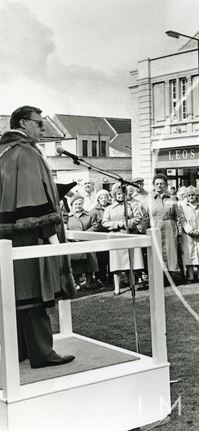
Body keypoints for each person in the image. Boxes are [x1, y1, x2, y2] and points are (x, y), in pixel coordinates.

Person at [0, 105, 76, 368]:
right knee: (35, 294)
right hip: (30, 236)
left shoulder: (4, 153)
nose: (43, 129)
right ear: (23, 123)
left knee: (16, 296)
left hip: (7, 237)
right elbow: (33, 202)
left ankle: (21, 349)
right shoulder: (27, 154)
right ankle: (43, 353)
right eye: (40, 123)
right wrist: (51, 235)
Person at [102, 183, 145, 295]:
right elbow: (105, 222)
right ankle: (117, 287)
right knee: (117, 264)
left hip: (129, 235)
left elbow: (138, 218)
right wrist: (118, 224)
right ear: (115, 195)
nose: (120, 196)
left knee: (130, 262)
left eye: (123, 194)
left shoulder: (132, 205)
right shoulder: (109, 208)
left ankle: (132, 284)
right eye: (118, 194)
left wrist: (127, 223)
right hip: (115, 237)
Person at [149, 174, 181, 275]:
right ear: (153, 185)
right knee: (157, 250)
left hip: (169, 227)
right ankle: (159, 275)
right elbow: (145, 216)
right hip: (155, 227)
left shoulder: (172, 198)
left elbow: (178, 216)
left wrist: (179, 231)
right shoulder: (149, 199)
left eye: (162, 184)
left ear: (166, 185)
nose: (159, 186)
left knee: (170, 251)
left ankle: (171, 275)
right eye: (157, 184)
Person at [177, 186, 199, 283]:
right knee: (189, 253)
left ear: (197, 196)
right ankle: (190, 277)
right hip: (188, 234)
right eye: (189, 195)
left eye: (193, 195)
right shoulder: (182, 206)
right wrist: (190, 230)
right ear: (186, 196)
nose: (191, 197)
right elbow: (182, 220)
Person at [66, 194, 99, 290]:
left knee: (89, 264)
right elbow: (66, 230)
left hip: (87, 242)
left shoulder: (89, 214)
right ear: (72, 205)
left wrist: (84, 235)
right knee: (76, 264)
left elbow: (95, 226)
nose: (78, 206)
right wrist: (72, 238)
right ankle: (77, 283)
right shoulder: (68, 217)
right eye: (75, 204)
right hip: (74, 243)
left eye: (79, 204)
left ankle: (88, 282)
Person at [89, 189, 111, 284]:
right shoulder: (94, 210)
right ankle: (101, 277)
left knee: (110, 257)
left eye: (105, 197)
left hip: (110, 235)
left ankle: (111, 277)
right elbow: (93, 224)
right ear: (98, 199)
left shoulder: (111, 207)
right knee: (101, 258)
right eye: (101, 198)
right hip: (100, 236)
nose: (103, 199)